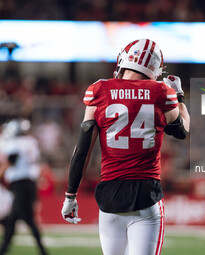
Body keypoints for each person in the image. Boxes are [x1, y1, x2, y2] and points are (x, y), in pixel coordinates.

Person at [61, 38, 190, 255]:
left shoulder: (99, 90)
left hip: (110, 198)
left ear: (125, 59)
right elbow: (182, 130)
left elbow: (82, 150)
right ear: (155, 68)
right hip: (145, 197)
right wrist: (179, 96)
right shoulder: (162, 92)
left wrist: (70, 195)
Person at [0, 119, 48, 255]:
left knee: (24, 219)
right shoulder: (30, 142)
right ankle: (4, 249)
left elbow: (11, 160)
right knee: (15, 218)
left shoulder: (15, 143)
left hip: (20, 183)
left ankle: (42, 250)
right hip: (29, 182)